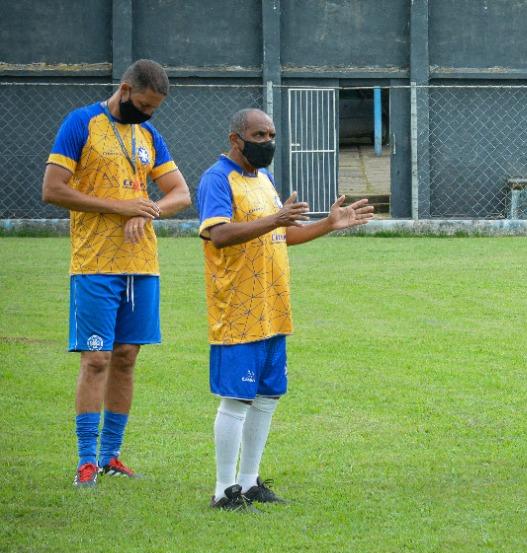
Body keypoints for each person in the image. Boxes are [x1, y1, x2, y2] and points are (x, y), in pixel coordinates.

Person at [196, 109, 373, 509]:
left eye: (272, 134)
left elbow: (283, 235)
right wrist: (276, 218)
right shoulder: (216, 179)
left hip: (273, 308)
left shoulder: (264, 180)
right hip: (238, 309)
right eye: (259, 134)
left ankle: (249, 481)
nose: (268, 141)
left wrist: (328, 224)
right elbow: (219, 234)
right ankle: (224, 491)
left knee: (267, 396)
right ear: (236, 139)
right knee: (236, 400)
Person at [42, 59, 192, 488]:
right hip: (94, 264)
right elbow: (52, 190)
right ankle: (86, 460)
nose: (148, 114)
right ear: (125, 90)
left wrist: (148, 212)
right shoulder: (81, 123)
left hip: (142, 265)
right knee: (96, 360)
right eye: (143, 104)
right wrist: (119, 207)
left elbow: (180, 193)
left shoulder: (149, 135)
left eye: (154, 109)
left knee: (126, 359)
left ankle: (111, 456)